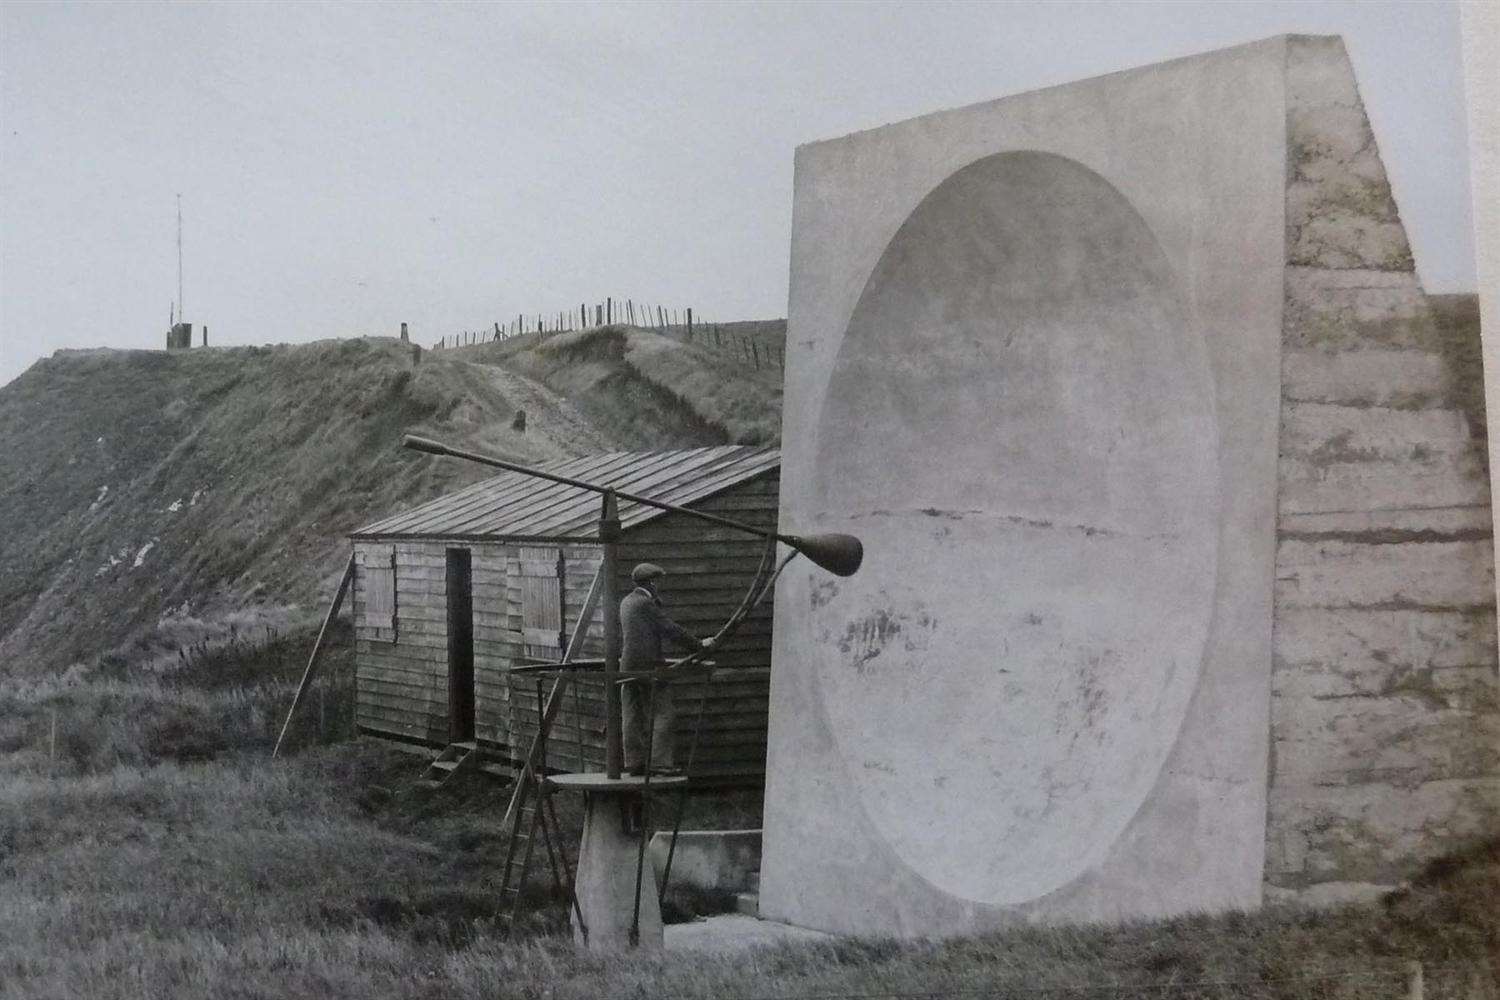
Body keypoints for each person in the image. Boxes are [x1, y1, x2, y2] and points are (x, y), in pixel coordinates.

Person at [620, 562, 712, 775]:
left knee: (632, 713)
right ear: (651, 583)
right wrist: (699, 645)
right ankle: (660, 763)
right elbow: (670, 629)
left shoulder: (627, 601)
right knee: (665, 713)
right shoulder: (645, 603)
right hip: (648, 667)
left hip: (628, 665)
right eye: (657, 583)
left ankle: (634, 762)